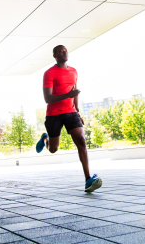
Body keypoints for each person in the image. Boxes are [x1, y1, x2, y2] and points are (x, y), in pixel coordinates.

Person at [36, 45, 102, 192]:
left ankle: (88, 179)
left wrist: (77, 111)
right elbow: (47, 98)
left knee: (81, 140)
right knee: (53, 149)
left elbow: (75, 92)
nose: (65, 52)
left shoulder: (73, 71)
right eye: (61, 51)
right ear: (54, 55)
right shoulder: (49, 73)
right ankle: (45, 139)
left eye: (66, 50)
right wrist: (67, 96)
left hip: (71, 112)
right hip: (53, 114)